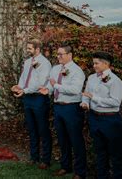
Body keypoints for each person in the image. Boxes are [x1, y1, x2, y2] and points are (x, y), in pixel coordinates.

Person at [41, 45, 86, 178]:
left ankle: (80, 171)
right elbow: (51, 83)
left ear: (70, 55)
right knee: (62, 139)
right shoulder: (55, 69)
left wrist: (56, 86)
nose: (58, 56)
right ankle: (65, 166)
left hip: (72, 108)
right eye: (57, 54)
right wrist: (48, 89)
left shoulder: (77, 71)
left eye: (61, 54)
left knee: (76, 140)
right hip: (58, 107)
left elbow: (75, 90)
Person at [81, 52, 122, 179]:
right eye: (93, 62)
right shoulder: (91, 78)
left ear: (106, 64)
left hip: (110, 120)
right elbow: (86, 94)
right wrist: (85, 103)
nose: (93, 65)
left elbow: (115, 102)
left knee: (116, 153)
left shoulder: (116, 81)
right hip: (94, 118)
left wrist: (94, 98)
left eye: (96, 63)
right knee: (100, 152)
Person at [11, 38, 52, 169]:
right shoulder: (28, 61)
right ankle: (34, 157)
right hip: (27, 99)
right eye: (27, 48)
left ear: (37, 49)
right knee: (32, 129)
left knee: (43, 129)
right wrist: (19, 87)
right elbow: (24, 77)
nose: (27, 50)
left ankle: (45, 160)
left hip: (39, 99)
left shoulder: (45, 63)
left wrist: (24, 90)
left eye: (30, 48)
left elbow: (40, 83)